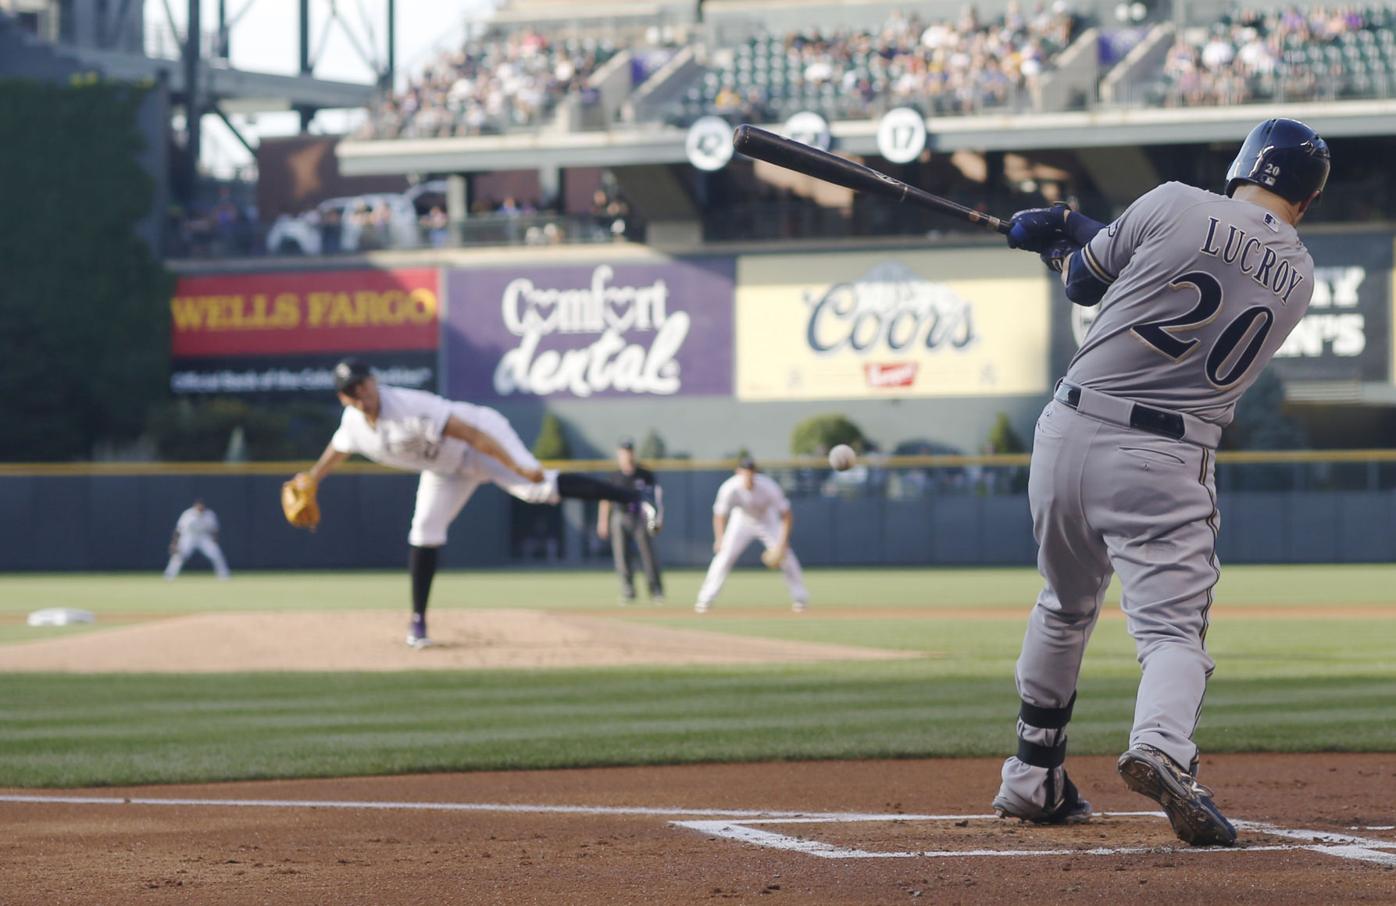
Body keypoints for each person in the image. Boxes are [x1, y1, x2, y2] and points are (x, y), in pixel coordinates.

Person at [990, 118, 1328, 847]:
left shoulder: (1172, 198)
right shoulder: (1300, 274)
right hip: (1164, 456)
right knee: (1171, 631)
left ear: (1243, 163)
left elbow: (1085, 281)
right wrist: (1074, 233)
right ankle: (1163, 749)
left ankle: (1031, 775)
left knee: (1063, 602)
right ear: (1306, 197)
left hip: (1068, 430)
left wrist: (1060, 238)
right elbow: (1201, 262)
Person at [294, 359, 661, 648]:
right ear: (343, 397)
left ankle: (634, 496)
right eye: (351, 390)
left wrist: (517, 465)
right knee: (424, 531)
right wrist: (312, 478)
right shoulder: (354, 423)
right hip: (444, 468)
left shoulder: (407, 406)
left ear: (373, 380)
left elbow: (470, 433)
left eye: (363, 383)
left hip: (480, 443)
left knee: (536, 486)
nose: (361, 392)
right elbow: (337, 450)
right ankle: (418, 622)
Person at [695, 456, 808, 614]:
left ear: (754, 472)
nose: (748, 475)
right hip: (741, 520)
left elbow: (786, 514)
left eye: (750, 471)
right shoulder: (730, 487)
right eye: (745, 471)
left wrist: (783, 542)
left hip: (767, 520)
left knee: (786, 556)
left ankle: (800, 598)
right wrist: (719, 539)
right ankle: (705, 598)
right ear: (738, 472)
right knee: (724, 555)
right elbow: (719, 515)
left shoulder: (768, 486)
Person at [597, 439, 664, 605]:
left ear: (633, 453)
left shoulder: (644, 474)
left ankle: (655, 590)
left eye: (629, 451)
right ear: (619, 454)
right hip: (619, 516)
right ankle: (628, 590)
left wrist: (657, 518)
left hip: (640, 516)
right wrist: (603, 521)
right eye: (623, 451)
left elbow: (656, 498)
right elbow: (605, 499)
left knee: (648, 555)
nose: (627, 454)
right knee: (621, 556)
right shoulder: (615, 475)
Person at [163, 499, 230, 580]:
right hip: (189, 537)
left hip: (203, 537)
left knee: (216, 553)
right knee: (179, 555)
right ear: (195, 507)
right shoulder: (187, 514)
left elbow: (214, 530)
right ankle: (169, 575)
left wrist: (214, 541)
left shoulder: (209, 515)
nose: (200, 509)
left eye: (201, 507)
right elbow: (178, 530)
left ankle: (224, 575)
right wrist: (174, 543)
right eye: (198, 507)